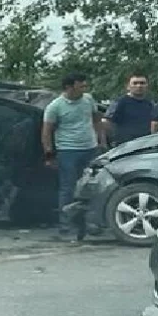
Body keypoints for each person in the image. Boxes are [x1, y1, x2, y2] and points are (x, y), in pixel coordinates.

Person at [41, 72, 102, 237]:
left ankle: (91, 222)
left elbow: (97, 120)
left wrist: (101, 142)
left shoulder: (88, 99)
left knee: (92, 186)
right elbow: (47, 132)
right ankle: (66, 224)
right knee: (68, 188)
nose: (84, 88)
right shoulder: (55, 106)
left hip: (90, 148)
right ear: (69, 87)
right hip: (68, 151)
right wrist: (49, 154)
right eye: (80, 85)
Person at [101, 73, 153, 148]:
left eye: (142, 83)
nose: (139, 86)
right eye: (135, 83)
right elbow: (106, 122)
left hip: (146, 145)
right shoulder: (120, 103)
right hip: (124, 146)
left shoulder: (150, 103)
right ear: (128, 86)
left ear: (147, 86)